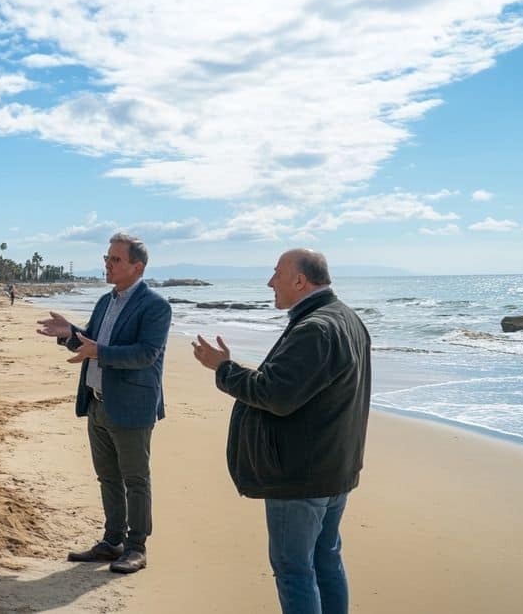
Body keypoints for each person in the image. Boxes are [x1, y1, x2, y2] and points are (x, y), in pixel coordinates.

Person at [191, 249, 371, 614]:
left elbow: (275, 395)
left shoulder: (316, 327)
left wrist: (223, 369)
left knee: (294, 570)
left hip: (301, 475)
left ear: (300, 281)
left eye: (276, 273)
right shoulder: (346, 318)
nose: (270, 281)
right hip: (334, 467)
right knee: (325, 559)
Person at [35, 233, 171, 574]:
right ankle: (113, 542)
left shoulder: (155, 306)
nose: (107, 264)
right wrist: (69, 334)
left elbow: (146, 354)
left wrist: (99, 351)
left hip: (132, 406)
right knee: (107, 478)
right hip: (97, 403)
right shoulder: (104, 302)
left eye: (115, 260)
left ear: (137, 267)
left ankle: (137, 547)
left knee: (135, 480)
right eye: (107, 258)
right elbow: (90, 343)